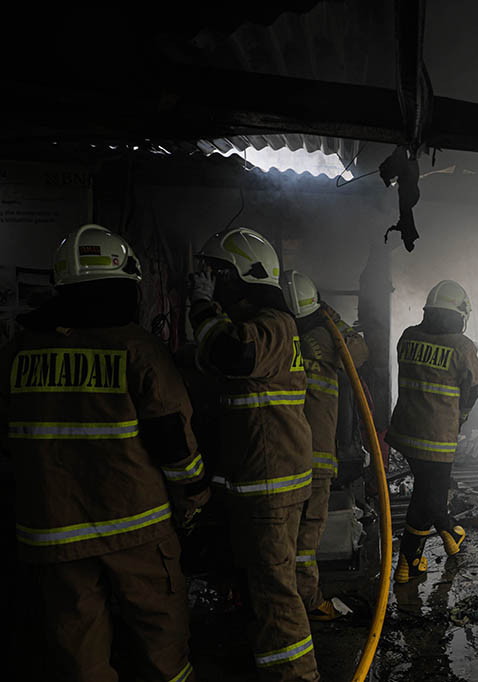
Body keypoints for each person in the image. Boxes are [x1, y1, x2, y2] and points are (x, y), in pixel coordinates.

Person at [2, 224, 207, 682]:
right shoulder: (138, 350)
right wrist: (193, 502)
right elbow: (174, 442)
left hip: (53, 533)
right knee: (162, 647)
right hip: (137, 528)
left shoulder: (17, 352)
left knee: (79, 654)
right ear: (126, 285)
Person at [189, 227, 318, 681]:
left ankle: (298, 677)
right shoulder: (258, 326)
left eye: (218, 274)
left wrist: (203, 307)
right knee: (262, 591)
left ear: (243, 275)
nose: (211, 282)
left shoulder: (273, 326)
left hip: (270, 488)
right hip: (255, 484)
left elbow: (233, 356)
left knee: (274, 594)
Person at [281, 269, 368, 621]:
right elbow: (360, 351)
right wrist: (333, 318)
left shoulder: (275, 340)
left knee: (280, 535)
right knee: (306, 534)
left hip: (279, 455)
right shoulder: (326, 341)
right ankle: (308, 602)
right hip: (314, 457)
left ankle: (287, 596)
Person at [387, 280, 478, 583]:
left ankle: (432, 546)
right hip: (437, 439)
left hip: (405, 433)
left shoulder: (407, 337)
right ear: (459, 315)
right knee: (430, 499)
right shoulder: (463, 347)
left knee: (426, 493)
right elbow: (473, 390)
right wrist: (461, 418)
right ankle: (427, 548)